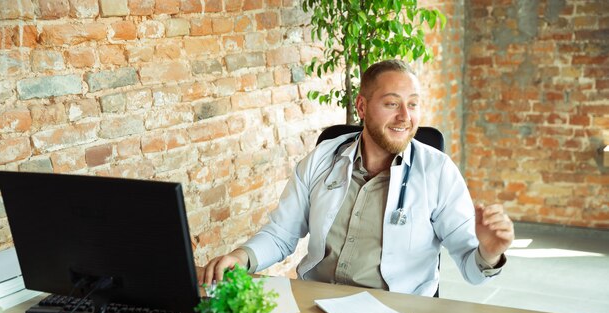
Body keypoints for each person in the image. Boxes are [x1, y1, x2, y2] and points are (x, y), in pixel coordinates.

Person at [200, 59, 514, 296]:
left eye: (413, 104)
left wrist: (489, 252)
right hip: (317, 303)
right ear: (362, 106)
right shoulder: (323, 158)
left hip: (398, 312)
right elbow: (283, 233)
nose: (405, 116)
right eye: (392, 103)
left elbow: (473, 272)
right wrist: (242, 257)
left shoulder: (438, 171)